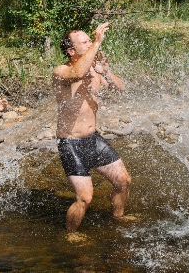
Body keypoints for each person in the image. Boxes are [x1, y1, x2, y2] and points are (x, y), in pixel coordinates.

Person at [52, 22, 132, 231]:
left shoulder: (94, 72)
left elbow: (121, 89)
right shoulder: (62, 71)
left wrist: (105, 73)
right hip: (71, 142)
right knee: (85, 198)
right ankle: (70, 235)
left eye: (90, 40)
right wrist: (97, 42)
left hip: (92, 139)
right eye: (85, 41)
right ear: (71, 50)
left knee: (123, 181)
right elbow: (77, 74)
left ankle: (117, 220)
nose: (90, 43)